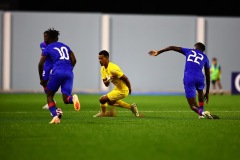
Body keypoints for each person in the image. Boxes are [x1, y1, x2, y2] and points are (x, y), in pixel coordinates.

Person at [148, 42, 219, 119]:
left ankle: (202, 113)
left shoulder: (189, 51)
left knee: (193, 106)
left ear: (195, 47)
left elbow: (172, 47)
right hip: (200, 78)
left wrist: (158, 52)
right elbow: (208, 75)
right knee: (200, 91)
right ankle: (201, 112)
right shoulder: (205, 57)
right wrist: (208, 91)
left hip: (189, 78)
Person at [38, 28, 80, 124]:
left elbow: (40, 64)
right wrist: (68, 69)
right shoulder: (65, 46)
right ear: (57, 38)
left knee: (49, 94)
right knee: (66, 99)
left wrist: (41, 79)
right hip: (69, 72)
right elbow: (74, 60)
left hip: (57, 72)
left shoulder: (48, 47)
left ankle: (55, 116)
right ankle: (73, 99)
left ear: (48, 39)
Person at [93, 50, 139, 117]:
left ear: (107, 58)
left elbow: (125, 78)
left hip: (123, 90)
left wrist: (129, 88)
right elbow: (106, 84)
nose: (100, 60)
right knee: (109, 102)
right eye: (99, 59)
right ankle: (131, 107)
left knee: (102, 99)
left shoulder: (113, 68)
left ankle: (103, 113)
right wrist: (108, 80)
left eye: (101, 58)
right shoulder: (102, 69)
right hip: (117, 88)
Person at [39, 30, 55, 110]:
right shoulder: (42, 45)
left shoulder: (54, 45)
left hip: (54, 65)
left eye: (46, 36)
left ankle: (51, 99)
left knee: (53, 83)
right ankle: (51, 100)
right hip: (46, 66)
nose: (45, 38)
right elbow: (42, 55)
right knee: (44, 82)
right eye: (44, 36)